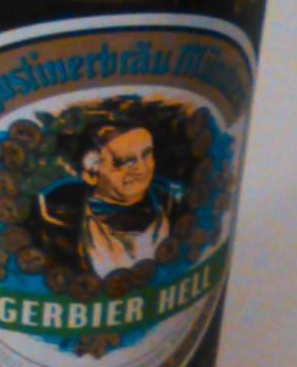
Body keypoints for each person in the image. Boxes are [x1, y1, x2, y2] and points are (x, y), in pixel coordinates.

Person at [29, 119, 185, 279]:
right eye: (124, 161)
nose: (142, 169)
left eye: (147, 155)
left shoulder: (173, 201)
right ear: (91, 173)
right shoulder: (56, 215)